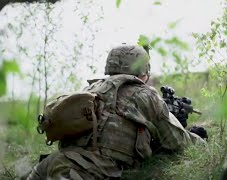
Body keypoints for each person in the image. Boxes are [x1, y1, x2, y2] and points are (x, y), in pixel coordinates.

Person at [25, 44, 206, 180]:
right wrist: (201, 141)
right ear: (144, 71)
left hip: (48, 165)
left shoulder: (91, 89)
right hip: (85, 172)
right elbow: (178, 143)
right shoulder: (144, 94)